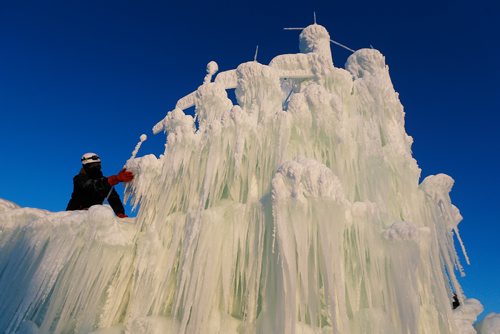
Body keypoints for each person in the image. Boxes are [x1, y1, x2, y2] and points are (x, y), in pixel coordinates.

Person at [66, 153, 134, 217]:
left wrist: (120, 213)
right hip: (73, 215)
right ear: (85, 167)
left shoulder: (104, 181)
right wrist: (116, 179)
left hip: (94, 216)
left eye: (98, 165)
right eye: (92, 165)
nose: (96, 167)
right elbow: (91, 186)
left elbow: (113, 198)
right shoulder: (79, 179)